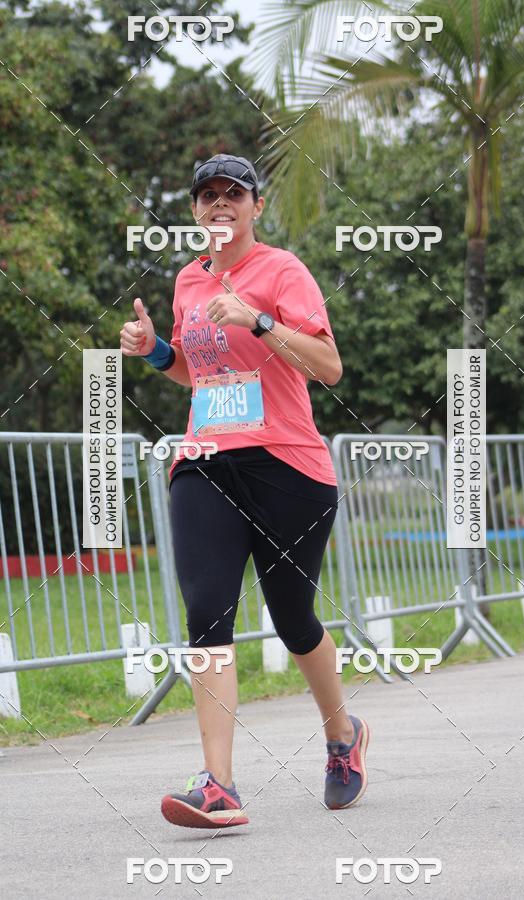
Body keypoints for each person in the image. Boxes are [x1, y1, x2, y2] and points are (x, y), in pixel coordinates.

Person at [119, 154, 369, 828]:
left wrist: (257, 319)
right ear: (196, 210)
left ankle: (342, 736)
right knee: (206, 610)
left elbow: (329, 368)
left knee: (294, 621)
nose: (220, 205)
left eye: (234, 193)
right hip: (205, 462)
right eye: (207, 196)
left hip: (288, 467)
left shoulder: (282, 271)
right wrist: (154, 353)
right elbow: (199, 376)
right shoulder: (187, 281)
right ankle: (219, 786)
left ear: (256, 205)